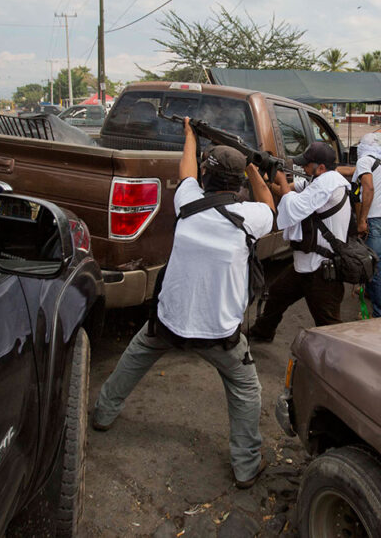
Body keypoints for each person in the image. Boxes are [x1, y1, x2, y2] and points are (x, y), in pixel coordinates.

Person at [92, 118, 276, 490]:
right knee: (245, 391)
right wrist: (255, 167)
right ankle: (245, 467)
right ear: (237, 183)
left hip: (169, 321)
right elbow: (270, 203)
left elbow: (186, 169)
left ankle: (102, 414)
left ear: (205, 178)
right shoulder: (251, 217)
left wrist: (190, 135)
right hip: (220, 334)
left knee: (133, 358)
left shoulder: (187, 202)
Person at [247, 142, 351, 342]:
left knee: (329, 326)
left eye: (306, 164)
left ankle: (338, 366)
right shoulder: (320, 180)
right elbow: (289, 190)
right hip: (306, 264)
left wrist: (280, 180)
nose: (303, 168)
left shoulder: (327, 185)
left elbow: (293, 206)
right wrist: (266, 181)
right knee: (277, 294)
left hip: (323, 270)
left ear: (320, 167)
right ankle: (263, 332)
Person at [337, 133, 381, 318]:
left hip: (373, 220)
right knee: (372, 261)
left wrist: (362, 220)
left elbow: (368, 187)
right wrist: (334, 170)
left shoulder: (364, 161)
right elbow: (352, 171)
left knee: (373, 267)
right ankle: (371, 293)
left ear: (362, 147)